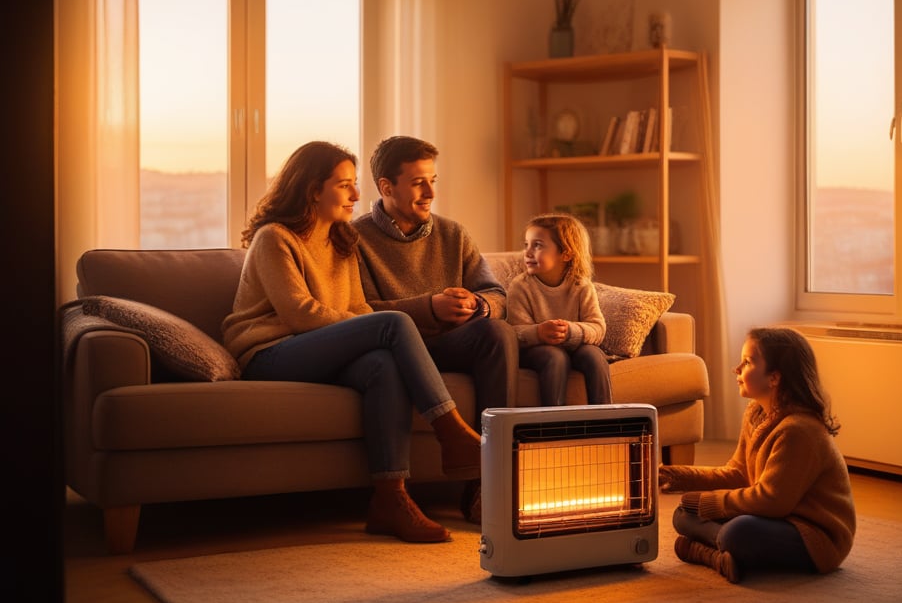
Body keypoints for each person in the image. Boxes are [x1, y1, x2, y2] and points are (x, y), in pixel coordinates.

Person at [221, 141, 482, 544]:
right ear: (312, 190)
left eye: (354, 184)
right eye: (344, 186)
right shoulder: (275, 238)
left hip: (320, 348)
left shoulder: (341, 239)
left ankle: (389, 499)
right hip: (270, 353)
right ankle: (451, 431)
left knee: (383, 365)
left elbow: (358, 306)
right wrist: (367, 328)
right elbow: (299, 314)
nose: (357, 195)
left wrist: (363, 329)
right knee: (391, 324)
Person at [352, 135, 518, 525]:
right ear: (386, 187)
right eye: (418, 182)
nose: (430, 192)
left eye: (433, 180)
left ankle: (487, 483)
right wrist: (430, 307)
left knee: (499, 333)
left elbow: (496, 293)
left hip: (449, 344)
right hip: (397, 348)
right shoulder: (356, 240)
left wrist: (476, 305)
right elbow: (357, 313)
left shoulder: (452, 234)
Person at [659, 326, 855, 583]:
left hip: (812, 535)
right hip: (774, 517)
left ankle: (704, 551)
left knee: (737, 533)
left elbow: (771, 501)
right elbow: (738, 474)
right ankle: (718, 555)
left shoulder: (799, 431)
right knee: (684, 513)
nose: (736, 369)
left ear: (774, 377)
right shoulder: (756, 414)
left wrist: (712, 503)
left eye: (747, 362)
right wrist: (674, 476)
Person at [505, 212, 612, 406]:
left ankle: (605, 418)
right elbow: (514, 331)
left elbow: (598, 327)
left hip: (574, 346)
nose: (527, 253)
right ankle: (553, 424)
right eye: (526, 245)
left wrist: (570, 331)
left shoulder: (581, 285)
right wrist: (539, 332)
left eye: (537, 245)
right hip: (536, 351)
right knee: (555, 357)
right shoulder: (520, 286)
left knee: (594, 355)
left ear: (566, 254)